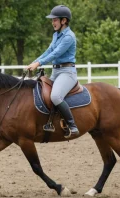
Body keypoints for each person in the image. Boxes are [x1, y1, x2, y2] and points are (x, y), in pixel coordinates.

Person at [27, 5, 79, 138]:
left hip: (67, 73)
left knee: (55, 96)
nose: (52, 22)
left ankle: (73, 126)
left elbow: (55, 54)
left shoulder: (69, 37)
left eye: (55, 20)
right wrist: (34, 62)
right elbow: (48, 51)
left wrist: (38, 63)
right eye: (52, 20)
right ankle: (49, 122)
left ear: (64, 21)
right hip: (56, 72)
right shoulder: (56, 35)